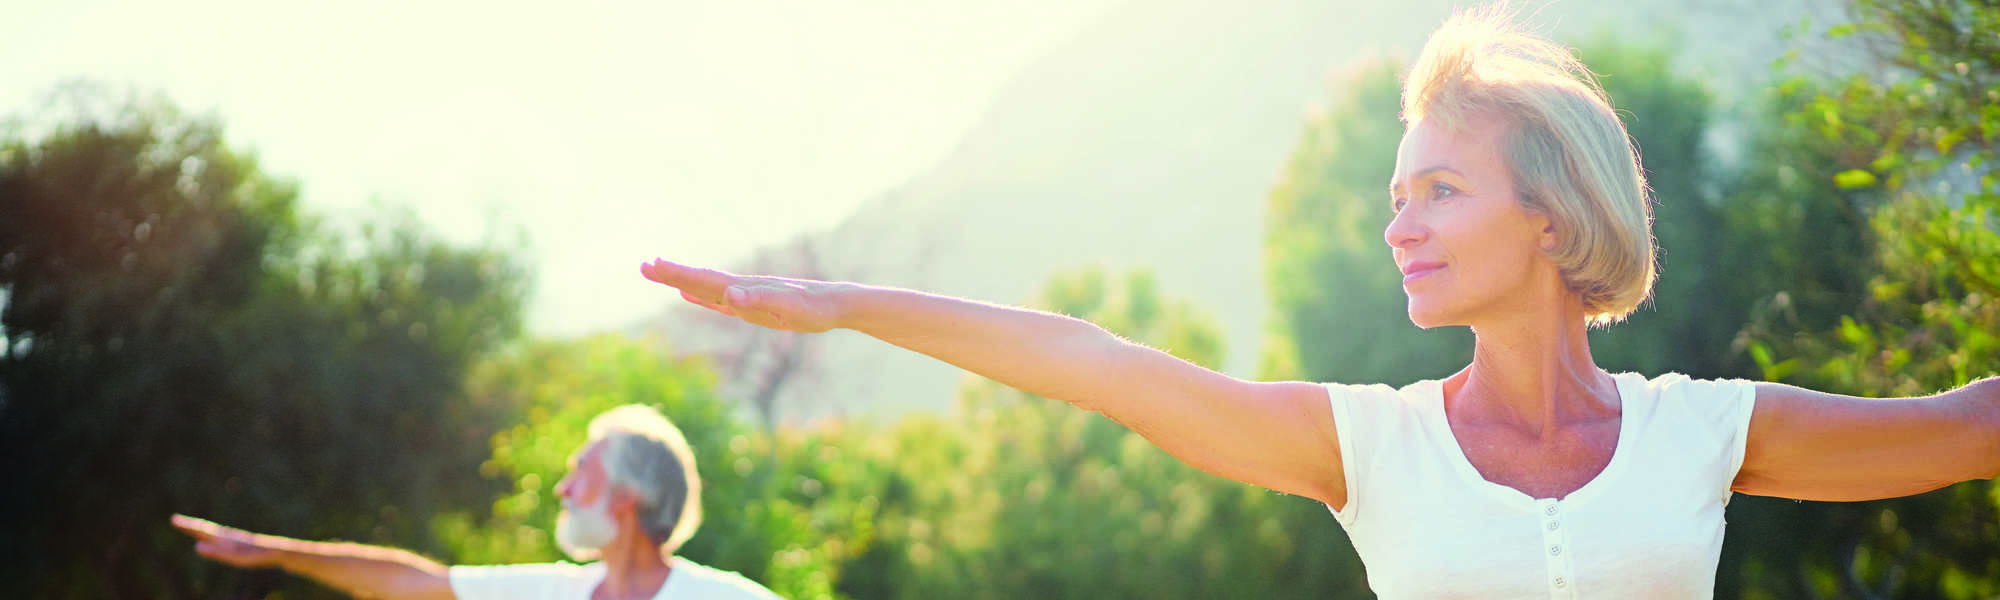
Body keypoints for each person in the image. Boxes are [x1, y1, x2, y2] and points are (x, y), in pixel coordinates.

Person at [636, 7, 1999, 598]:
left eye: (1439, 192)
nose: (1397, 223)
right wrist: (839, 301)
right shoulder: (1369, 448)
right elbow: (1091, 363)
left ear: (1548, 213)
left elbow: (1967, 423)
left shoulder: (1704, 433)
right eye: (1394, 194)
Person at [172, 405, 781, 600]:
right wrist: (270, 551)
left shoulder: (724, 598)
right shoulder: (559, 592)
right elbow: (415, 582)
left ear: (627, 497)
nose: (561, 490)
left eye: (580, 475)